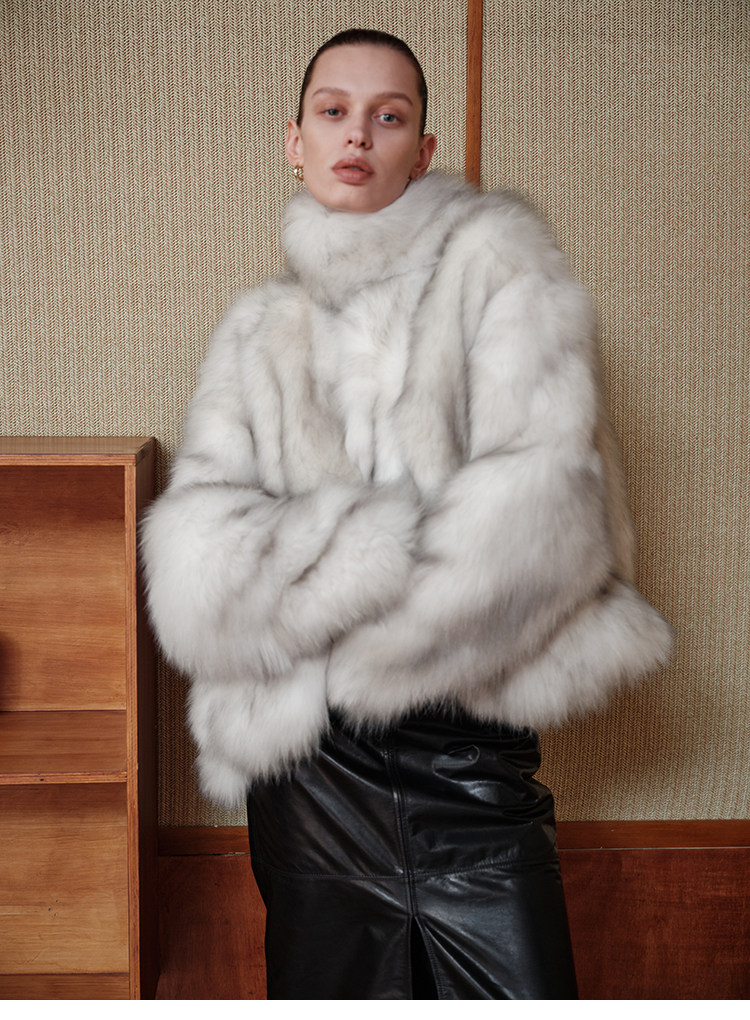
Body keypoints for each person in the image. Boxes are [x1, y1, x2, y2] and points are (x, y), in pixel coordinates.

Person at [142, 29, 672, 999]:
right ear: (295, 141)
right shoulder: (257, 336)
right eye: (333, 112)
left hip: (464, 762)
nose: (358, 135)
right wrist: (374, 554)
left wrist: (326, 597)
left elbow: (545, 527)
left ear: (422, 150)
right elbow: (196, 567)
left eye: (388, 117)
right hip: (310, 780)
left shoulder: (497, 271)